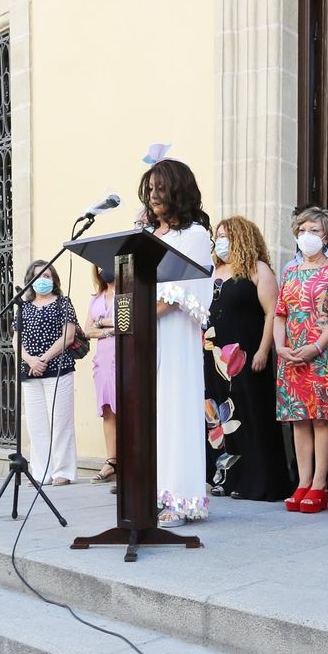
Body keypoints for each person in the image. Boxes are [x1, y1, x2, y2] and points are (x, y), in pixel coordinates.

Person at [140, 157, 214, 527]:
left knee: (175, 410)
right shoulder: (152, 237)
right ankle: (152, 491)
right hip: (146, 338)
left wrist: (142, 313)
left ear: (178, 190)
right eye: (150, 188)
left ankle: (180, 498)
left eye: (161, 188)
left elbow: (182, 292)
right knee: (152, 414)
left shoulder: (196, 236)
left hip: (175, 335)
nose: (154, 195)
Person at [274, 206, 328, 513]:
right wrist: (280, 347)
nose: (307, 235)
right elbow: (280, 312)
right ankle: (302, 483)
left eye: (314, 231)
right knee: (298, 419)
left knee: (321, 419)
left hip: (323, 354)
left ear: (326, 235)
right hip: (292, 355)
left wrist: (317, 346)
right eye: (302, 230)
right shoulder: (290, 271)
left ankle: (319, 485)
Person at [205, 214, 290, 501]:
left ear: (242, 237)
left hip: (245, 354)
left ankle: (257, 481)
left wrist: (264, 350)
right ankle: (225, 478)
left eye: (227, 235)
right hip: (213, 356)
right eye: (218, 235)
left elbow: (272, 312)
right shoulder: (212, 271)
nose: (221, 241)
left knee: (250, 414)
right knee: (218, 417)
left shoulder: (258, 270)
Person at [14, 258, 79, 486]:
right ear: (30, 281)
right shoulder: (23, 307)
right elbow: (15, 340)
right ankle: (41, 471)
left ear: (54, 279)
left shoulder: (63, 303)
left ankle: (63, 471)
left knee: (61, 422)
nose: (42, 280)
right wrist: (31, 360)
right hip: (30, 372)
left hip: (57, 369)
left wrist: (43, 359)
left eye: (47, 275)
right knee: (36, 425)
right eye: (38, 276)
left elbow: (68, 336)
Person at [83, 263, 118, 484]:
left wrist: (102, 324)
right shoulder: (95, 298)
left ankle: (133, 460)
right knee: (107, 410)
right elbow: (87, 331)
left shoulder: (127, 294)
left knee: (126, 408)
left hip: (124, 356)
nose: (102, 267)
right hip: (103, 360)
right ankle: (112, 461)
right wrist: (109, 329)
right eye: (98, 264)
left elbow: (130, 321)